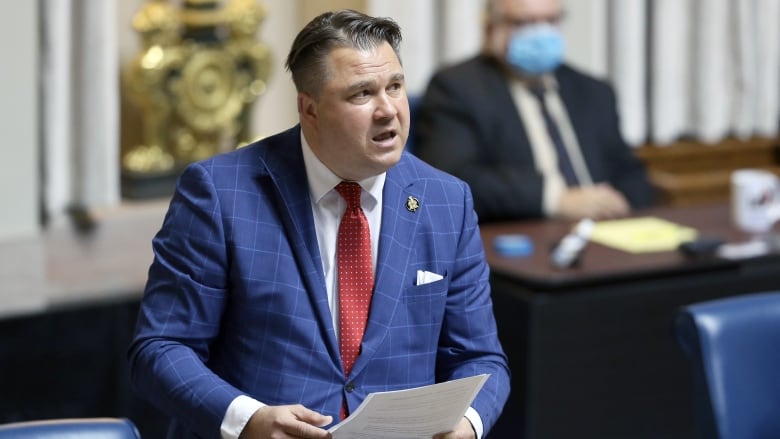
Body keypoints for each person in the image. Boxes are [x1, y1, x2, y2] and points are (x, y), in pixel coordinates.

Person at [128, 9, 510, 439]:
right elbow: (160, 350)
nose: (388, 110)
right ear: (309, 108)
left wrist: (468, 426)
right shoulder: (219, 193)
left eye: (395, 87)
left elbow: (481, 359)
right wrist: (247, 419)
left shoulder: (447, 199)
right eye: (362, 94)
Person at [414, 0, 656, 223]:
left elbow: (629, 171)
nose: (541, 34)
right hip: (522, 236)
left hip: (606, 232)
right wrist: (555, 200)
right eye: (524, 23)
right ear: (491, 28)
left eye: (551, 21)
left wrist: (621, 201)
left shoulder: (594, 91)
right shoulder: (457, 88)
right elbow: (453, 180)